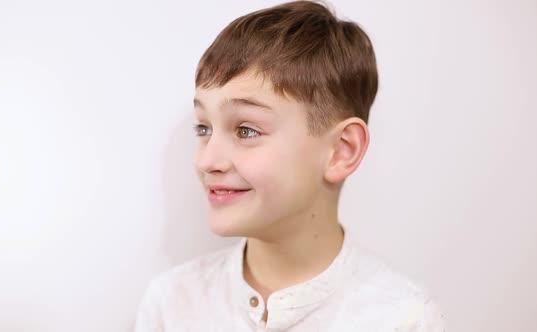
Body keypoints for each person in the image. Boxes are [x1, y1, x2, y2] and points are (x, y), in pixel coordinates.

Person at [135, 1, 445, 331]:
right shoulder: (171, 304)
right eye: (204, 128)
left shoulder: (404, 319)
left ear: (342, 151)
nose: (206, 161)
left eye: (246, 130)